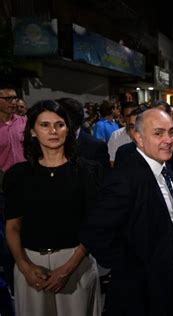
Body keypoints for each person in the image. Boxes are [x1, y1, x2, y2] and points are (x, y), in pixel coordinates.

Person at [80, 109, 173, 315]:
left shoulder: (165, 168)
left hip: (171, 280)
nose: (168, 140)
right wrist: (132, 269)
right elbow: (94, 231)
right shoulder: (126, 177)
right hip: (142, 293)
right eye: (158, 133)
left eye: (171, 132)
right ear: (139, 138)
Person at [4, 100, 102, 316]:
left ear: (68, 129)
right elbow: (12, 227)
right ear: (32, 131)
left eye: (59, 124)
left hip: (76, 263)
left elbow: (94, 226)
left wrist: (67, 269)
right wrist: (24, 267)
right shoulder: (18, 175)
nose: (53, 131)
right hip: (30, 265)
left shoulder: (87, 172)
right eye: (45, 125)